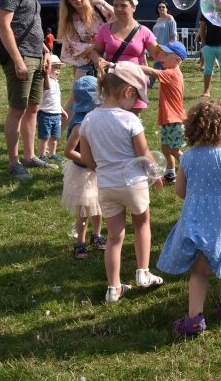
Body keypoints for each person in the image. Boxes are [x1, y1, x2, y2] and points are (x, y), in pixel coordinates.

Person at [157, 100, 221, 335]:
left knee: (199, 270)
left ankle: (194, 317)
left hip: (194, 218)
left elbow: (180, 191)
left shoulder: (189, 158)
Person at [79, 61, 164, 303]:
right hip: (134, 183)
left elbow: (86, 158)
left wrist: (103, 169)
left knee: (115, 236)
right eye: (136, 97)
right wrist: (155, 175)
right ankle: (143, 273)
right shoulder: (130, 120)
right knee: (142, 224)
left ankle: (113, 288)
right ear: (127, 92)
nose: (136, 103)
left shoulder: (88, 120)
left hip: (106, 185)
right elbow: (144, 154)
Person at [0, 0, 58, 180]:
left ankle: (30, 156)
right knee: (17, 109)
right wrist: (17, 60)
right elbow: (4, 24)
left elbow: (29, 25)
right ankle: (14, 162)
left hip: (37, 56)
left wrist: (45, 50)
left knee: (33, 109)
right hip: (21, 57)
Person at [61, 76, 106, 260]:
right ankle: (80, 241)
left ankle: (97, 234)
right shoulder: (79, 125)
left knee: (99, 205)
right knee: (84, 209)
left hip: (95, 170)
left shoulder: (93, 120)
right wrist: (89, 162)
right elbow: (68, 151)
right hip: (83, 172)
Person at [92, 0, 158, 113]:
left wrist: (173, 52)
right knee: (111, 118)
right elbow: (96, 50)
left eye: (123, 5)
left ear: (133, 7)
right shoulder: (105, 29)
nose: (118, 9)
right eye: (116, 5)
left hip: (134, 82)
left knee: (131, 121)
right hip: (112, 80)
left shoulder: (144, 31)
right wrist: (98, 60)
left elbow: (158, 55)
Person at [140, 41, 187, 183]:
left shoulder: (172, 73)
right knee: (166, 149)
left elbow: (152, 72)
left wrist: (132, 66)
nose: (161, 57)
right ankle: (171, 174)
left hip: (174, 119)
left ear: (177, 59)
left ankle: (192, 167)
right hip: (169, 119)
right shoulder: (171, 72)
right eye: (161, 53)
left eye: (166, 55)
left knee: (174, 150)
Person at [58, 0, 107, 80]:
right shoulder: (70, 19)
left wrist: (103, 3)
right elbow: (73, 44)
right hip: (86, 62)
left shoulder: (98, 9)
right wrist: (96, 47)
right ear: (69, 2)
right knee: (82, 91)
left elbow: (117, 19)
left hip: (108, 57)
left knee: (109, 93)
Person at [37, 54, 67, 163]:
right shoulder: (46, 81)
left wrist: (62, 111)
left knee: (55, 137)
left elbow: (56, 100)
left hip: (56, 115)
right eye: (55, 68)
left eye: (59, 68)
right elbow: (45, 90)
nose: (58, 71)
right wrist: (45, 74)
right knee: (44, 137)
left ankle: (52, 154)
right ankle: (42, 155)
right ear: (47, 68)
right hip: (45, 114)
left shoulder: (56, 83)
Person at [197, 10, 221, 98]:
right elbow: (202, 29)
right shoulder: (207, 10)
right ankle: (206, 92)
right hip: (209, 46)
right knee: (208, 70)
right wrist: (204, 44)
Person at [148, 1, 177, 88]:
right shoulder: (158, 19)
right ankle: (168, 83)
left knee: (160, 66)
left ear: (167, 9)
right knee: (160, 66)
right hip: (158, 47)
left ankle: (151, 84)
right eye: (159, 7)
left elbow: (174, 34)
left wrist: (172, 47)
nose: (161, 8)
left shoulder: (170, 18)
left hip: (167, 47)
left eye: (163, 7)